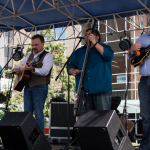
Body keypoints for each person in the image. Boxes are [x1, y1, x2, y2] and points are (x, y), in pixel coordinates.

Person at [12, 34, 53, 132]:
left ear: (43, 44)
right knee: (27, 114)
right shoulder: (29, 56)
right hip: (28, 87)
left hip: (40, 87)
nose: (34, 47)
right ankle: (27, 137)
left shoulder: (48, 55)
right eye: (32, 45)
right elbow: (16, 67)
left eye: (36, 45)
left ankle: (40, 139)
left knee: (38, 114)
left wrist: (33, 69)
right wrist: (17, 70)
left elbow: (45, 71)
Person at [68, 28, 114, 112]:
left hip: (101, 90)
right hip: (84, 92)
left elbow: (109, 56)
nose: (88, 36)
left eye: (90, 34)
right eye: (86, 35)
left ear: (97, 36)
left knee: (102, 118)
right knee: (87, 120)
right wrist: (73, 71)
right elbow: (70, 66)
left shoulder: (105, 48)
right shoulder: (79, 52)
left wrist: (95, 43)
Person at [129, 33, 150, 150]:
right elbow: (131, 56)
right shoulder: (143, 38)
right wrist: (131, 49)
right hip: (144, 81)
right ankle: (146, 147)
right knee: (146, 117)